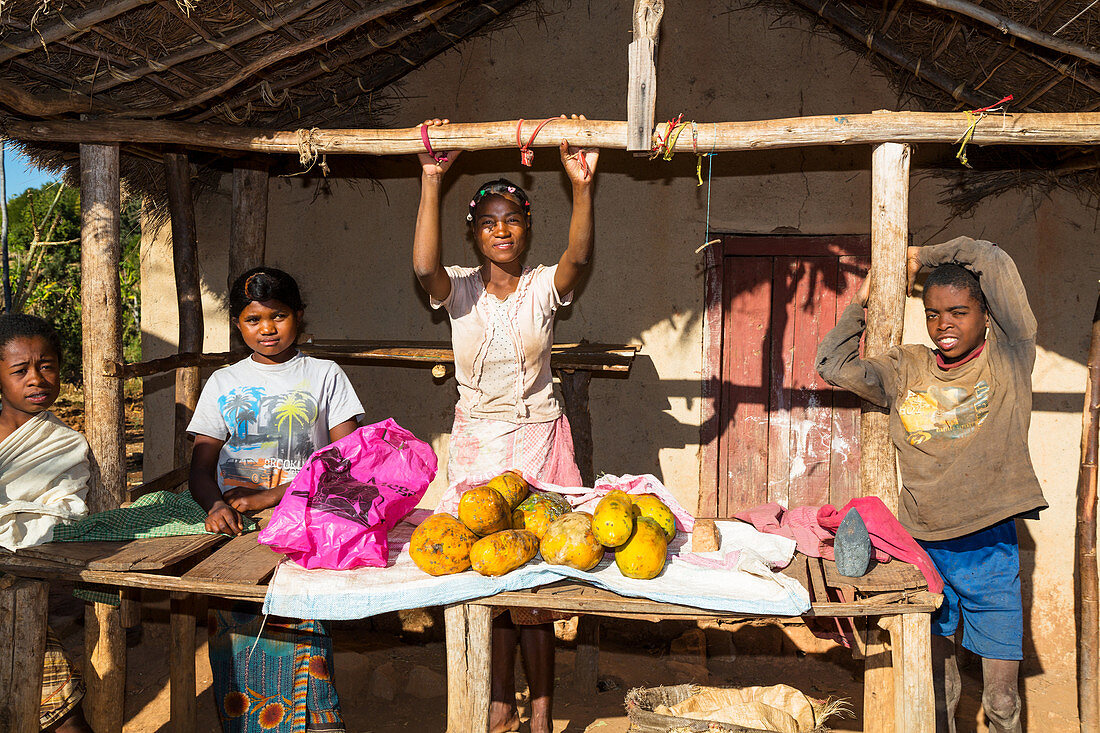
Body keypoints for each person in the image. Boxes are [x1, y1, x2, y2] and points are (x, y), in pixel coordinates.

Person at [816, 237, 1047, 732]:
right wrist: (863, 302)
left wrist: (921, 257)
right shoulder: (908, 367)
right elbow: (832, 366)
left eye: (959, 312)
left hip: (989, 550)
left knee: (1002, 701)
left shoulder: (1009, 357)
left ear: (986, 316)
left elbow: (992, 257)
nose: (944, 324)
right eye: (933, 313)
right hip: (924, 550)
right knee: (939, 693)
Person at [412, 117, 598, 733]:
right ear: (474, 233)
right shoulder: (459, 291)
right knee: (485, 574)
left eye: (512, 221)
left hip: (539, 440)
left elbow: (578, 256)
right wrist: (431, 181)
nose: (501, 231)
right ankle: (497, 706)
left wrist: (582, 186)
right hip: (477, 447)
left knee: (537, 584)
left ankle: (540, 712)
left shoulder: (543, 288)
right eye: (489, 222)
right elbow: (422, 268)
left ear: (525, 229)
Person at [188, 267, 365, 733]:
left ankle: (320, 723)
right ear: (237, 324)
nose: (266, 329)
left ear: (299, 317)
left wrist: (270, 495)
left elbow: (344, 464)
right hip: (236, 530)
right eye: (253, 319)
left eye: (278, 316)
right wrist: (217, 506)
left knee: (305, 626)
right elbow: (200, 469)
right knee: (236, 630)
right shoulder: (224, 383)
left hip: (306, 524)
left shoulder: (325, 375)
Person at [0, 313, 92, 732]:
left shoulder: (64, 444)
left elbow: (62, 513)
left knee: (56, 705)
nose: (37, 379)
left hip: (13, 579)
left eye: (47, 366)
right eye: (20, 370)